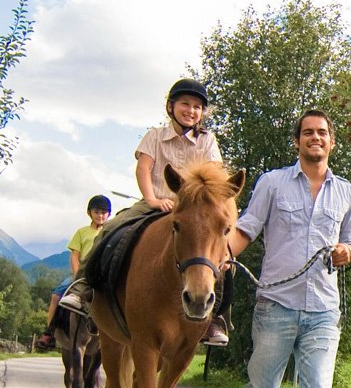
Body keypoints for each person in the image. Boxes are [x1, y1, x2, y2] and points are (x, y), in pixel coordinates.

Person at [226, 110, 351, 388]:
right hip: (275, 305)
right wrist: (223, 256)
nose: (314, 138)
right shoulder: (272, 183)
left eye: (321, 132)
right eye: (307, 133)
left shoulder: (347, 192)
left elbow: (350, 239)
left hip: (322, 310)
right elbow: (247, 227)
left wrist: (345, 252)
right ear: (297, 141)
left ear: (331, 141)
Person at [58, 78, 232, 346]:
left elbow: (216, 179)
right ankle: (83, 287)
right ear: (171, 106)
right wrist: (151, 199)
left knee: (223, 256)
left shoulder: (208, 142)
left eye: (197, 106)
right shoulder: (155, 136)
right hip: (156, 201)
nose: (191, 110)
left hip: (193, 211)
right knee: (111, 228)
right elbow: (144, 168)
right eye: (185, 104)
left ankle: (216, 318)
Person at [36, 194, 111, 351]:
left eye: (104, 212)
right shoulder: (82, 232)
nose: (100, 215)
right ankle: (50, 332)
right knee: (57, 295)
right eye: (97, 212)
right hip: (82, 274)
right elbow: (75, 256)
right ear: (90, 213)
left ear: (109, 214)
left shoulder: (111, 231)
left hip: (104, 274)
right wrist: (78, 275)